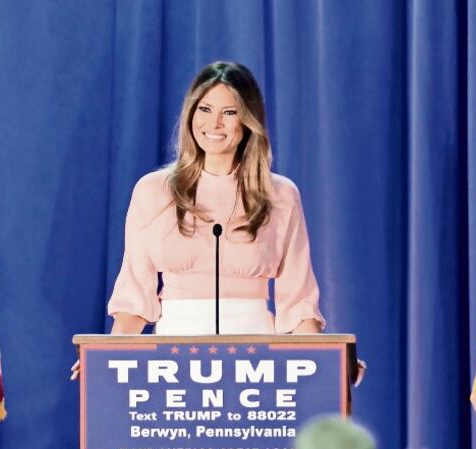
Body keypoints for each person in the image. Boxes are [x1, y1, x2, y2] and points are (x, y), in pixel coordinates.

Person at [107, 61, 326, 336]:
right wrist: (102, 361)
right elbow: (133, 299)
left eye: (230, 112)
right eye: (205, 109)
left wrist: (329, 363)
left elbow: (299, 305)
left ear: (248, 120)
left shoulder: (281, 194)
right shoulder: (152, 191)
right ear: (190, 114)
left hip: (255, 356)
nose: (214, 123)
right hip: (174, 357)